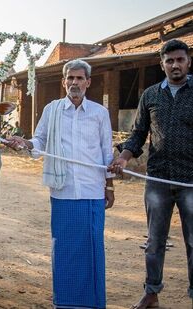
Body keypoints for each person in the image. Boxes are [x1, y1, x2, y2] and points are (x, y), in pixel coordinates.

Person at [6, 59, 114, 309]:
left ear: (88, 82)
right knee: (64, 248)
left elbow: (106, 153)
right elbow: (40, 139)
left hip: (91, 191)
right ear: (64, 82)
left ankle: (92, 303)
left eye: (79, 78)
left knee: (91, 248)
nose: (74, 83)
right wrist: (25, 144)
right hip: (62, 190)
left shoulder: (100, 113)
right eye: (70, 78)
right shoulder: (52, 110)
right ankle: (65, 302)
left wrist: (109, 187)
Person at [108, 39, 193, 309]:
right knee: (155, 241)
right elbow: (138, 134)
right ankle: (152, 293)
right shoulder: (151, 95)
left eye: (180, 59)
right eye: (170, 61)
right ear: (162, 64)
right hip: (157, 179)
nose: (175, 65)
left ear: (188, 62)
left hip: (191, 180)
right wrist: (123, 158)